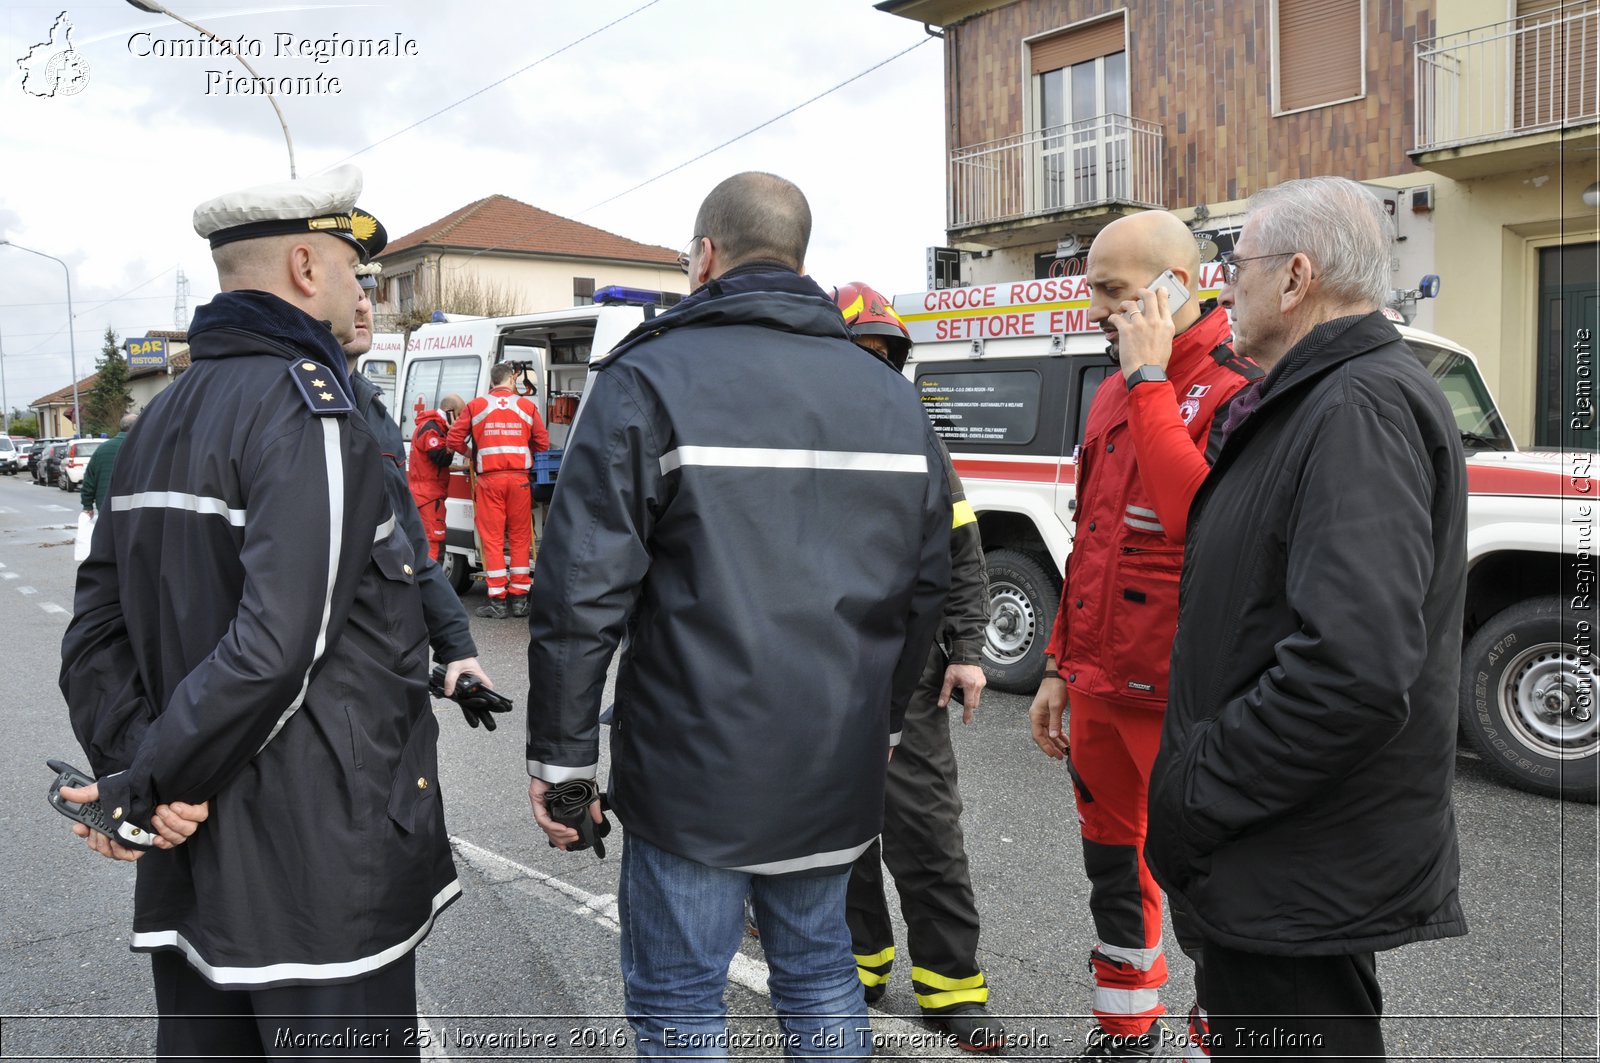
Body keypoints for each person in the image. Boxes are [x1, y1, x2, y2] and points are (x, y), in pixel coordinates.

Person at [524, 172, 951, 1060]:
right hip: (833, 759)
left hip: (692, 769)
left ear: (707, 256)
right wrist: (879, 722)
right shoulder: (891, 398)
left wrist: (564, 761)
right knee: (823, 973)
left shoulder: (650, 377)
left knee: (682, 992)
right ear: (799, 258)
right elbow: (927, 587)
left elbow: (581, 589)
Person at [58, 164, 459, 1059]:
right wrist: (149, 788)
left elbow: (93, 637)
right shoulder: (309, 411)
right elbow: (281, 647)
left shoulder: (156, 423)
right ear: (308, 266)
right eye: (357, 271)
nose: (362, 291)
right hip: (320, 873)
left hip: (197, 867)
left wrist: (140, 780)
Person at [1143, 176, 1468, 1061]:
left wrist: (1196, 790)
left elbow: (1352, 668)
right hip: (1279, 860)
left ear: (1294, 278)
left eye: (1233, 265)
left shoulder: (1355, 406)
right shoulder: (1317, 398)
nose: (1221, 286)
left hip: (1287, 863)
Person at [1026, 209, 1262, 1060]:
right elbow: (1094, 534)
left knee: (1205, 885)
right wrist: (1058, 664)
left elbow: (1198, 518)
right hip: (1098, 684)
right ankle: (1126, 1030)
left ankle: (1214, 1041)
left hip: (1178, 693)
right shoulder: (1110, 386)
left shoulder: (1239, 386)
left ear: (1176, 287)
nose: (1095, 307)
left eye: (1113, 291)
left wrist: (1153, 379)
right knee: (1113, 871)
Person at [830, 282, 1002, 1053]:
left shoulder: (917, 436)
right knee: (837, 831)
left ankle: (953, 987)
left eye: (885, 358)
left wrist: (966, 649)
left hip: (911, 673)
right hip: (822, 673)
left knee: (927, 831)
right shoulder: (803, 432)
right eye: (859, 357)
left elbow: (963, 548)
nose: (875, 371)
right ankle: (858, 963)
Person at [343, 219, 490, 702]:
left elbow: (410, 558)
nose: (364, 301)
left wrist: (456, 646)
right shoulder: (426, 425)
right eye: (349, 282)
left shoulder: (369, 407)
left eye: (369, 286)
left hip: (385, 670)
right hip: (340, 676)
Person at [445, 361, 549, 618]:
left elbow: (453, 439)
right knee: (520, 538)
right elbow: (543, 443)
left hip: (489, 481)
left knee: (491, 540)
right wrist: (525, 457)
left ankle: (498, 602)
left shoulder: (476, 406)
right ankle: (520, 600)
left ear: (492, 382)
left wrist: (472, 453)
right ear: (512, 381)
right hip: (519, 480)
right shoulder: (527, 406)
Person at [409, 393, 466, 562]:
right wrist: (455, 434)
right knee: (434, 543)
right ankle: (430, 586)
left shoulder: (431, 427)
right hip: (428, 497)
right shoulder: (432, 429)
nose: (461, 420)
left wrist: (462, 466)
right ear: (450, 412)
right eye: (460, 415)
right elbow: (441, 457)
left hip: (425, 495)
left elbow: (433, 466)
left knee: (428, 543)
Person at [79, 411, 136, 518]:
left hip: (106, 508)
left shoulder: (102, 449)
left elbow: (89, 480)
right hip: (133, 511)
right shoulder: (142, 448)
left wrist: (87, 506)